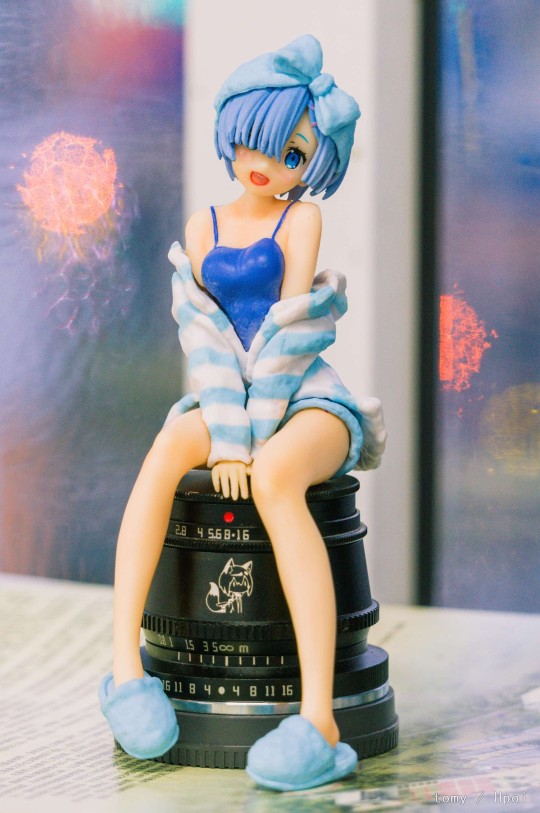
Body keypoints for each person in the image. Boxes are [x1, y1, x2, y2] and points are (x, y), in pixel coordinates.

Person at [99, 34, 386, 792]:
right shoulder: (204, 226)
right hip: (226, 392)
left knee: (277, 477)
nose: (268, 165)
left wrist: (250, 440)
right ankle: (125, 671)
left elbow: (289, 334)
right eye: (259, 141)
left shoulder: (301, 221)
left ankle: (318, 719)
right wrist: (227, 436)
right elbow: (205, 338)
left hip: (303, 395)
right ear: (233, 129)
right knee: (168, 448)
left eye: (292, 154)